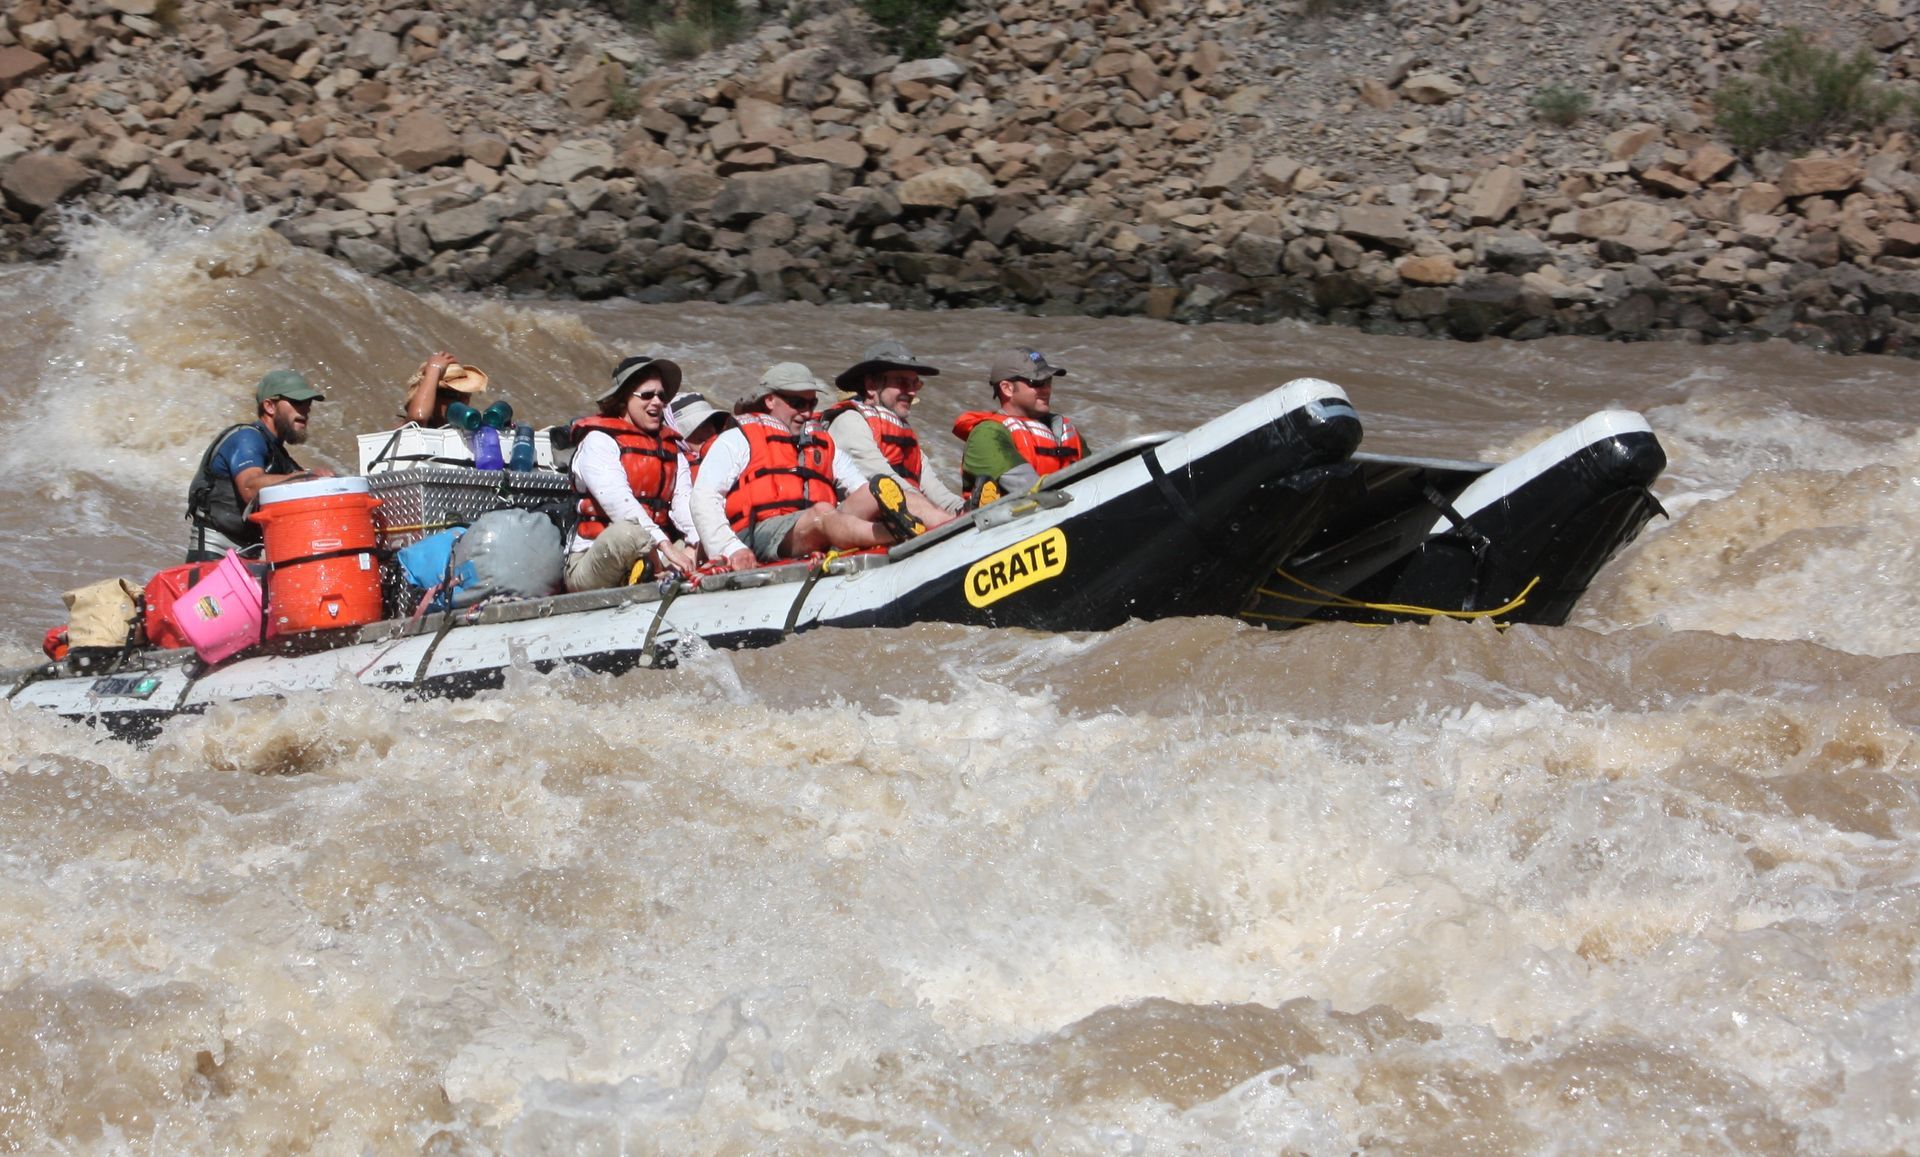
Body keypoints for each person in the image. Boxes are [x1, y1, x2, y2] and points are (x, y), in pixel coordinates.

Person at [690, 362, 953, 572]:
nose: (806, 412)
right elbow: (703, 498)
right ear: (770, 400)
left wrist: (882, 502)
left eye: (811, 403)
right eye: (797, 403)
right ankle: (899, 535)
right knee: (822, 513)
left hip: (817, 525)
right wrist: (730, 548)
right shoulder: (737, 439)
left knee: (881, 490)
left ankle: (952, 527)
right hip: (761, 535)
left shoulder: (821, 442)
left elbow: (862, 488)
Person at [563, 355, 700, 592]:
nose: (657, 402)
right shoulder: (598, 441)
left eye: (662, 396)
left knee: (705, 532)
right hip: (593, 562)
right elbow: (620, 504)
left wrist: (698, 541)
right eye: (647, 395)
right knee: (629, 532)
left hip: (651, 555)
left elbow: (684, 502)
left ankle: (661, 575)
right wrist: (664, 546)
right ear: (623, 400)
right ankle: (653, 573)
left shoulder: (672, 450)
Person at [185, 370, 335, 563]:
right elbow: (250, 487)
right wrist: (306, 476)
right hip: (215, 556)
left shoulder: (280, 455)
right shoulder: (246, 438)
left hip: (248, 557)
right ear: (270, 406)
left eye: (308, 403)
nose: (306, 410)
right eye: (297, 402)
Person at [823, 339, 966, 515]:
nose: (912, 392)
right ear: (871, 386)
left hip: (914, 515)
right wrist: (934, 514)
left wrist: (961, 509)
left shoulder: (902, 431)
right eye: (902, 383)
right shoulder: (849, 422)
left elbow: (936, 491)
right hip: (862, 528)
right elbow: (882, 480)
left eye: (916, 384)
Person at [953, 347, 1088, 508]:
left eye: (1048, 381)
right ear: (1007, 388)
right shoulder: (987, 433)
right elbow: (1027, 486)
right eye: (1036, 382)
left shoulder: (1063, 429)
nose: (1046, 389)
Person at [398, 351, 489, 427]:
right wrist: (434, 369)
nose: (463, 401)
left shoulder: (465, 432)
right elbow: (418, 418)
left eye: (467, 394)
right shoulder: (406, 429)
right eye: (452, 395)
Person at [667, 391, 734, 479]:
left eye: (711, 423)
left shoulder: (734, 456)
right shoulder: (671, 472)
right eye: (701, 425)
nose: (711, 430)